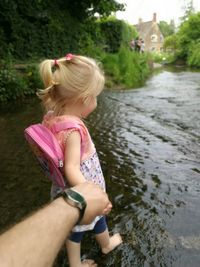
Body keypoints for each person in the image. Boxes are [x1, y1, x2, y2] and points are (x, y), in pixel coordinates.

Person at [37, 53, 122, 267]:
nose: (96, 101)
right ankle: (80, 262)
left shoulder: (52, 116)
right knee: (82, 225)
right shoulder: (73, 131)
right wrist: (93, 194)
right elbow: (73, 169)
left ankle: (104, 245)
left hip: (63, 188)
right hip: (81, 189)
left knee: (89, 221)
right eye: (95, 97)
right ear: (85, 99)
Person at [0, 182, 113, 267]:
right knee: (86, 225)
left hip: (72, 194)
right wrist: (84, 197)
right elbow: (71, 167)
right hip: (84, 195)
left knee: (77, 229)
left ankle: (81, 261)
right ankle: (104, 246)